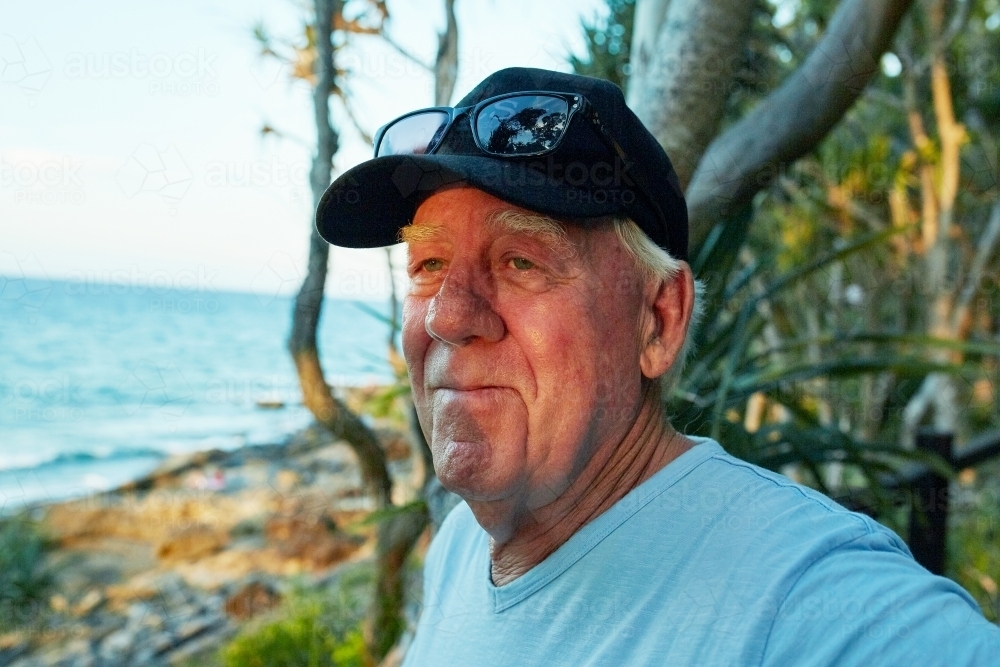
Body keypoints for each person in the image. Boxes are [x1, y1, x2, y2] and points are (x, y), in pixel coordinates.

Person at [316, 68, 1000, 665]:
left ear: (659, 319)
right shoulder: (463, 545)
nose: (446, 315)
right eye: (429, 266)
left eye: (520, 261)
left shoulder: (801, 599)